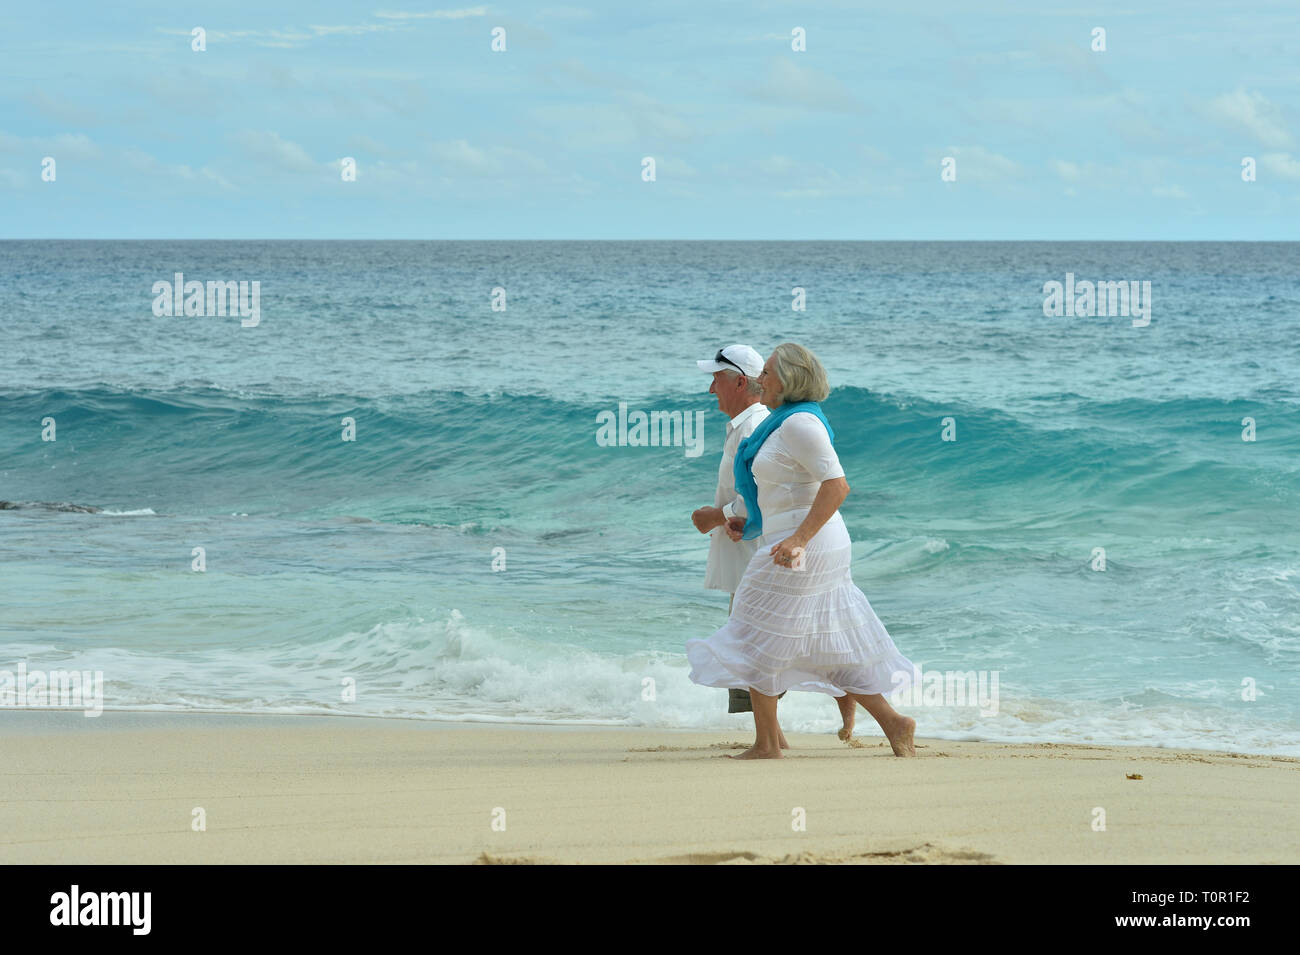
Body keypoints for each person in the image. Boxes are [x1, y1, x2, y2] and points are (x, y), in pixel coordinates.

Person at [685, 343, 918, 759]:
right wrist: (746, 521)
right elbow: (781, 490)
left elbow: (837, 485)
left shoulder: (800, 424)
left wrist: (798, 540)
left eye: (769, 374)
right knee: (828, 641)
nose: (761, 381)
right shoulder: (780, 423)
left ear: (790, 379)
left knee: (752, 631)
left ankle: (767, 745)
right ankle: (894, 724)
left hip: (803, 545)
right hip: (793, 539)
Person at [690, 345, 789, 744]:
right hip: (749, 551)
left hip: (757, 554)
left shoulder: (753, 427)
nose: (711, 388)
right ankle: (772, 738)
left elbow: (760, 493)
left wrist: (713, 517)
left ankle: (771, 742)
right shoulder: (744, 425)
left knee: (752, 642)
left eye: (717, 379)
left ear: (740, 382)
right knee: (749, 640)